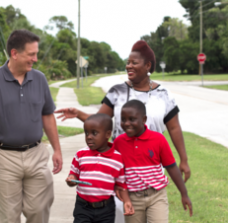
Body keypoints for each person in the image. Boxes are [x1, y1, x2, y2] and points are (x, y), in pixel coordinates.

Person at [56, 40, 190, 222]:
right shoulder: (117, 91)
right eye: (128, 62)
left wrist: (184, 159)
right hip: (119, 170)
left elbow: (174, 127)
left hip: (150, 167)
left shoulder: (164, 94)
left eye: (134, 63)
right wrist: (79, 114)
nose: (129, 66)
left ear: (147, 65)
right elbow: (99, 122)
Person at [0, 29, 63, 223]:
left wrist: (57, 150)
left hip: (36, 154)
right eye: (31, 54)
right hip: (4, 158)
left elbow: (48, 116)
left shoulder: (39, 79)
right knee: (8, 217)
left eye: (36, 53)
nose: (35, 59)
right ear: (14, 53)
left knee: (39, 211)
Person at [114, 100, 192, 222]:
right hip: (132, 198)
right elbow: (115, 170)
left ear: (144, 119)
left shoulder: (158, 139)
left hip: (156, 196)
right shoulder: (118, 143)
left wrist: (184, 193)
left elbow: (171, 167)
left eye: (132, 119)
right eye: (123, 119)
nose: (126, 123)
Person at [66, 114, 134, 223]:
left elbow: (121, 185)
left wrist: (127, 201)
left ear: (107, 134)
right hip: (83, 206)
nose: (89, 137)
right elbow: (73, 175)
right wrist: (71, 180)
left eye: (94, 133)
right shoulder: (81, 154)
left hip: (106, 209)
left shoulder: (117, 158)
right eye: (86, 133)